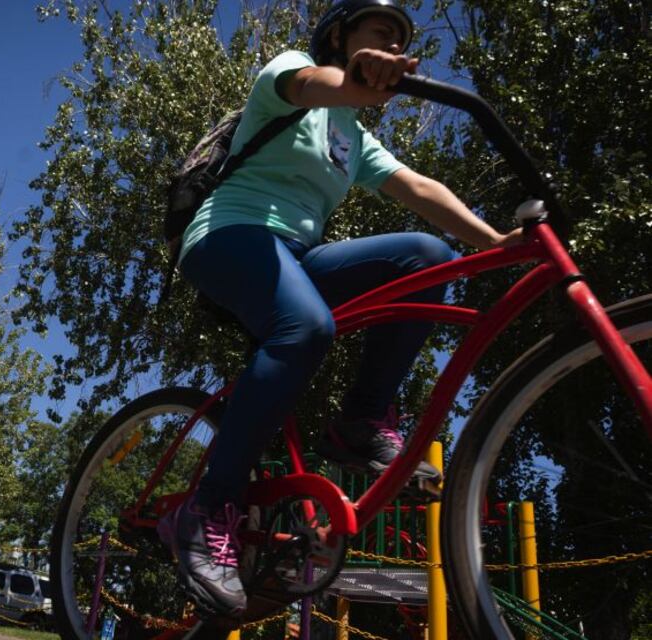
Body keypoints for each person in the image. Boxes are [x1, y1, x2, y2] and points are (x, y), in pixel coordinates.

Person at [156, 0, 523, 619]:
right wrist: (355, 78)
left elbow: (420, 188)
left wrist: (495, 244)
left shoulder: (352, 138)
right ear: (340, 36)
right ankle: (207, 508)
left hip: (296, 255)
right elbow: (316, 83)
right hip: (230, 234)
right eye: (380, 31)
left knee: (428, 257)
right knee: (304, 328)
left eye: (399, 39)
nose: (392, 43)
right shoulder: (294, 70)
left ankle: (360, 421)